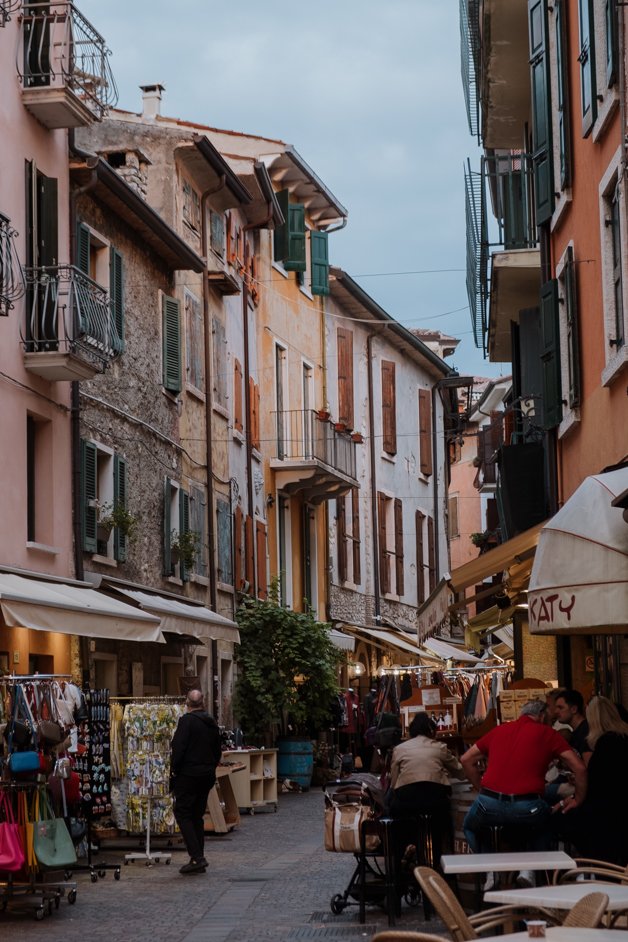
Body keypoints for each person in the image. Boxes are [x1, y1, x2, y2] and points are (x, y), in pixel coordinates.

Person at [461, 699, 586, 886]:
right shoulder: (547, 733)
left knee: (470, 827)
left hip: (489, 804)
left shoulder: (499, 730)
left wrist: (481, 789)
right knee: (546, 821)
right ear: (542, 716)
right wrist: (578, 798)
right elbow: (579, 768)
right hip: (528, 807)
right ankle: (529, 869)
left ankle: (490, 869)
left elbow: (465, 759)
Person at [556, 696, 628, 865]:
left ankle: (584, 866)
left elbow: (595, 782)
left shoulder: (605, 743)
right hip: (620, 807)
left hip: (608, 813)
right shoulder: (623, 738)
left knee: (561, 819)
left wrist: (574, 799)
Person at [388, 713, 465, 864]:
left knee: (397, 816)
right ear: (432, 731)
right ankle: (440, 860)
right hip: (435, 800)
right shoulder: (439, 747)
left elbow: (394, 782)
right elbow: (460, 772)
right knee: (440, 822)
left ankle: (402, 854)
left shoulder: (399, 749)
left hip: (407, 801)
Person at [170, 689, 222, 874]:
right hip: (206, 774)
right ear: (203, 702)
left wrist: (174, 770)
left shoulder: (187, 722)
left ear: (187, 703)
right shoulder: (211, 722)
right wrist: (211, 766)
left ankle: (197, 857)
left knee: (183, 813)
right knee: (197, 815)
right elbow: (218, 750)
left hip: (189, 774)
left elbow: (178, 748)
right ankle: (197, 857)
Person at [553, 689, 591, 761]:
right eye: (556, 708)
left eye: (560, 707)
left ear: (574, 709)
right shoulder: (578, 732)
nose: (556, 711)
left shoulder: (586, 732)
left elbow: (588, 767)